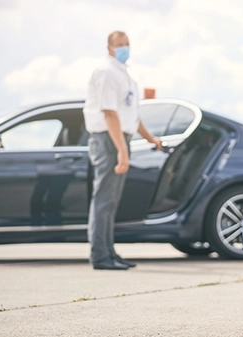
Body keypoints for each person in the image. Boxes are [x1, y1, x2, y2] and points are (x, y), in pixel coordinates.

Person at [83, 31, 162, 270]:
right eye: (119, 45)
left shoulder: (123, 73)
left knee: (111, 201)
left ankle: (109, 252)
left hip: (118, 138)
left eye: (127, 44)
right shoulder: (107, 72)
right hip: (108, 139)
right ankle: (100, 256)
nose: (124, 48)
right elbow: (109, 113)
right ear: (109, 48)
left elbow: (131, 115)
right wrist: (122, 151)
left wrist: (151, 138)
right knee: (103, 199)